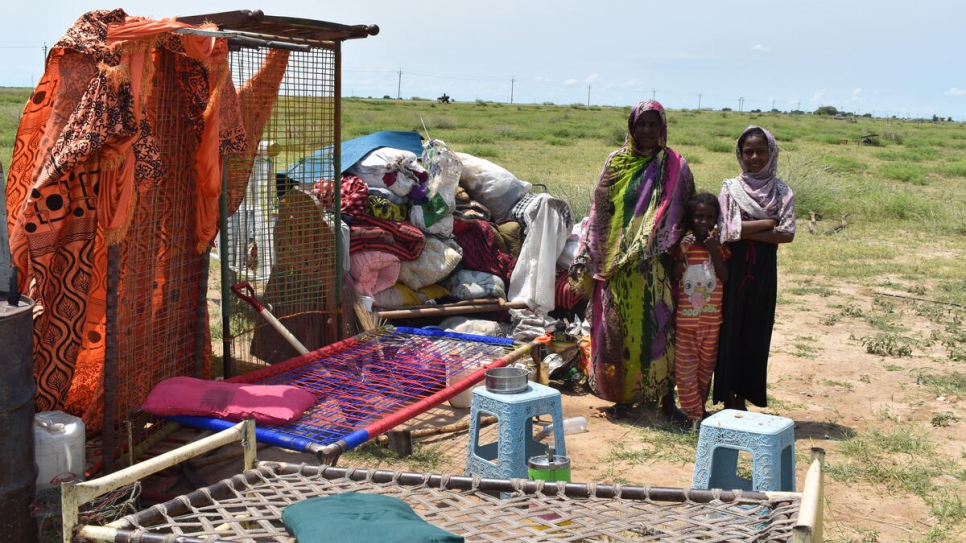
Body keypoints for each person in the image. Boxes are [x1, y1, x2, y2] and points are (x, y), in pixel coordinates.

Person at [570, 100, 694, 420]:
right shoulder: (616, 162)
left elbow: (686, 208)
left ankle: (665, 400)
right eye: (642, 124)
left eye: (654, 124)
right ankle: (623, 396)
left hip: (656, 265)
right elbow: (600, 209)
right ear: (632, 127)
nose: (647, 130)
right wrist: (593, 253)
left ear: (663, 127)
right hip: (615, 265)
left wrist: (668, 241)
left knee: (660, 329)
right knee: (617, 331)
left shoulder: (675, 165)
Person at [713, 126, 796, 411]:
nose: (755, 157)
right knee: (730, 328)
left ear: (771, 153)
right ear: (740, 154)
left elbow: (787, 234)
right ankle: (729, 396)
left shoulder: (781, 190)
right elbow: (724, 230)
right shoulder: (730, 188)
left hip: (763, 271)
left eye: (761, 151)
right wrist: (767, 223)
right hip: (732, 268)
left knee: (757, 330)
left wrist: (741, 230)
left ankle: (746, 396)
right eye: (748, 152)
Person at [672, 193, 730, 425]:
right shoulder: (682, 247)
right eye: (698, 217)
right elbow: (675, 276)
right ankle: (694, 415)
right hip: (686, 323)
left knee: (705, 372)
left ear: (716, 220)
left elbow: (725, 277)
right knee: (686, 373)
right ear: (690, 219)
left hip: (712, 322)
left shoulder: (720, 246)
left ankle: (698, 411)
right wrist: (681, 255)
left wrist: (713, 249)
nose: (704, 222)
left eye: (709, 217)